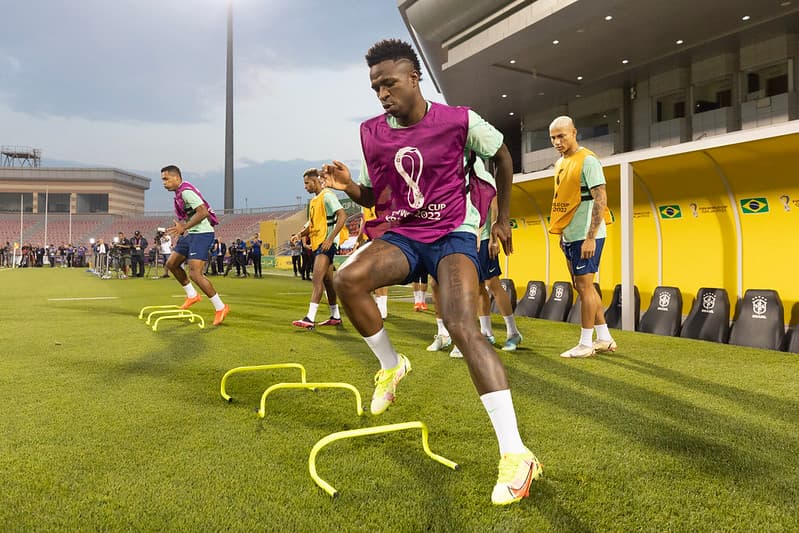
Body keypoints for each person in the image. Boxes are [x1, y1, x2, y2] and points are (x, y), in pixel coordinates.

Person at [319, 39, 540, 506]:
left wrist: (501, 218)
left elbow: (501, 156)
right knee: (346, 280)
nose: (382, 93)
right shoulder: (372, 132)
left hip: (454, 232)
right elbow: (377, 197)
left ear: (415, 78)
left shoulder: (459, 119)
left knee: (462, 326)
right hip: (403, 233)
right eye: (375, 86)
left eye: (389, 83)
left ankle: (517, 454)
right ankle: (390, 365)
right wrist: (349, 187)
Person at [548, 116, 616, 357]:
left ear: (574, 132)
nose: (557, 141)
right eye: (553, 137)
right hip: (570, 235)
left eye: (561, 136)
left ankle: (586, 344)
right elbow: (565, 201)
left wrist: (590, 236)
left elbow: (601, 199)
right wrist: (563, 233)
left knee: (586, 287)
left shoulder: (587, 160)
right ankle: (605, 338)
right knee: (581, 286)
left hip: (588, 236)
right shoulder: (560, 163)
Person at [161, 164, 229, 326]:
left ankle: (221, 307)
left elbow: (203, 211)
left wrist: (183, 227)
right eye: (162, 179)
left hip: (202, 233)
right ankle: (192, 295)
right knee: (172, 264)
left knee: (195, 274)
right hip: (191, 233)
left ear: (176, 178)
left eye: (166, 179)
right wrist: (184, 228)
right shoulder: (180, 193)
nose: (164, 183)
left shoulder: (186, 192)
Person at [291, 168, 346, 328]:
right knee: (328, 282)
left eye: (307, 183)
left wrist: (330, 239)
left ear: (315, 182)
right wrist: (299, 235)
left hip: (325, 244)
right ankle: (335, 316)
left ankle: (309, 318)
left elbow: (342, 215)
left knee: (317, 279)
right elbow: (312, 225)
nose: (305, 186)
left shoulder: (327, 196)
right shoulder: (315, 201)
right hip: (318, 243)